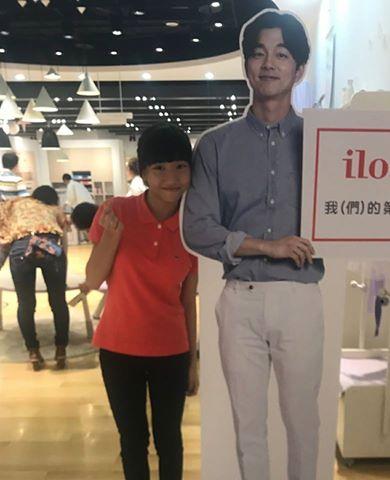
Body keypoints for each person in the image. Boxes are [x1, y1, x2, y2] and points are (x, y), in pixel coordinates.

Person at [183, 10, 323, 480]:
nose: (269, 63)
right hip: (240, 300)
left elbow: (367, 209)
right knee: (248, 426)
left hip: (301, 298)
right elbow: (197, 228)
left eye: (281, 54)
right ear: (245, 64)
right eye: (259, 53)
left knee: (303, 423)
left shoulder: (323, 143)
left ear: (298, 69)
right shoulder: (215, 145)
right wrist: (268, 246)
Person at [84, 122, 199, 480]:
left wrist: (193, 361)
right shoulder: (116, 210)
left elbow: (188, 299)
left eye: (180, 166)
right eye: (159, 168)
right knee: (132, 439)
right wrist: (111, 238)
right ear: (144, 173)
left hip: (171, 351)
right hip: (119, 349)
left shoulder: (194, 225)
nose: (171, 178)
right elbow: (93, 280)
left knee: (169, 439)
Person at [0, 185, 70, 370]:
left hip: (21, 247)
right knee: (58, 302)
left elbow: (3, 236)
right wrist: (62, 264)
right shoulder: (55, 209)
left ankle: (33, 352)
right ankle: (61, 350)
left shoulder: (14, 205)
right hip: (50, 246)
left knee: (25, 304)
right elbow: (63, 239)